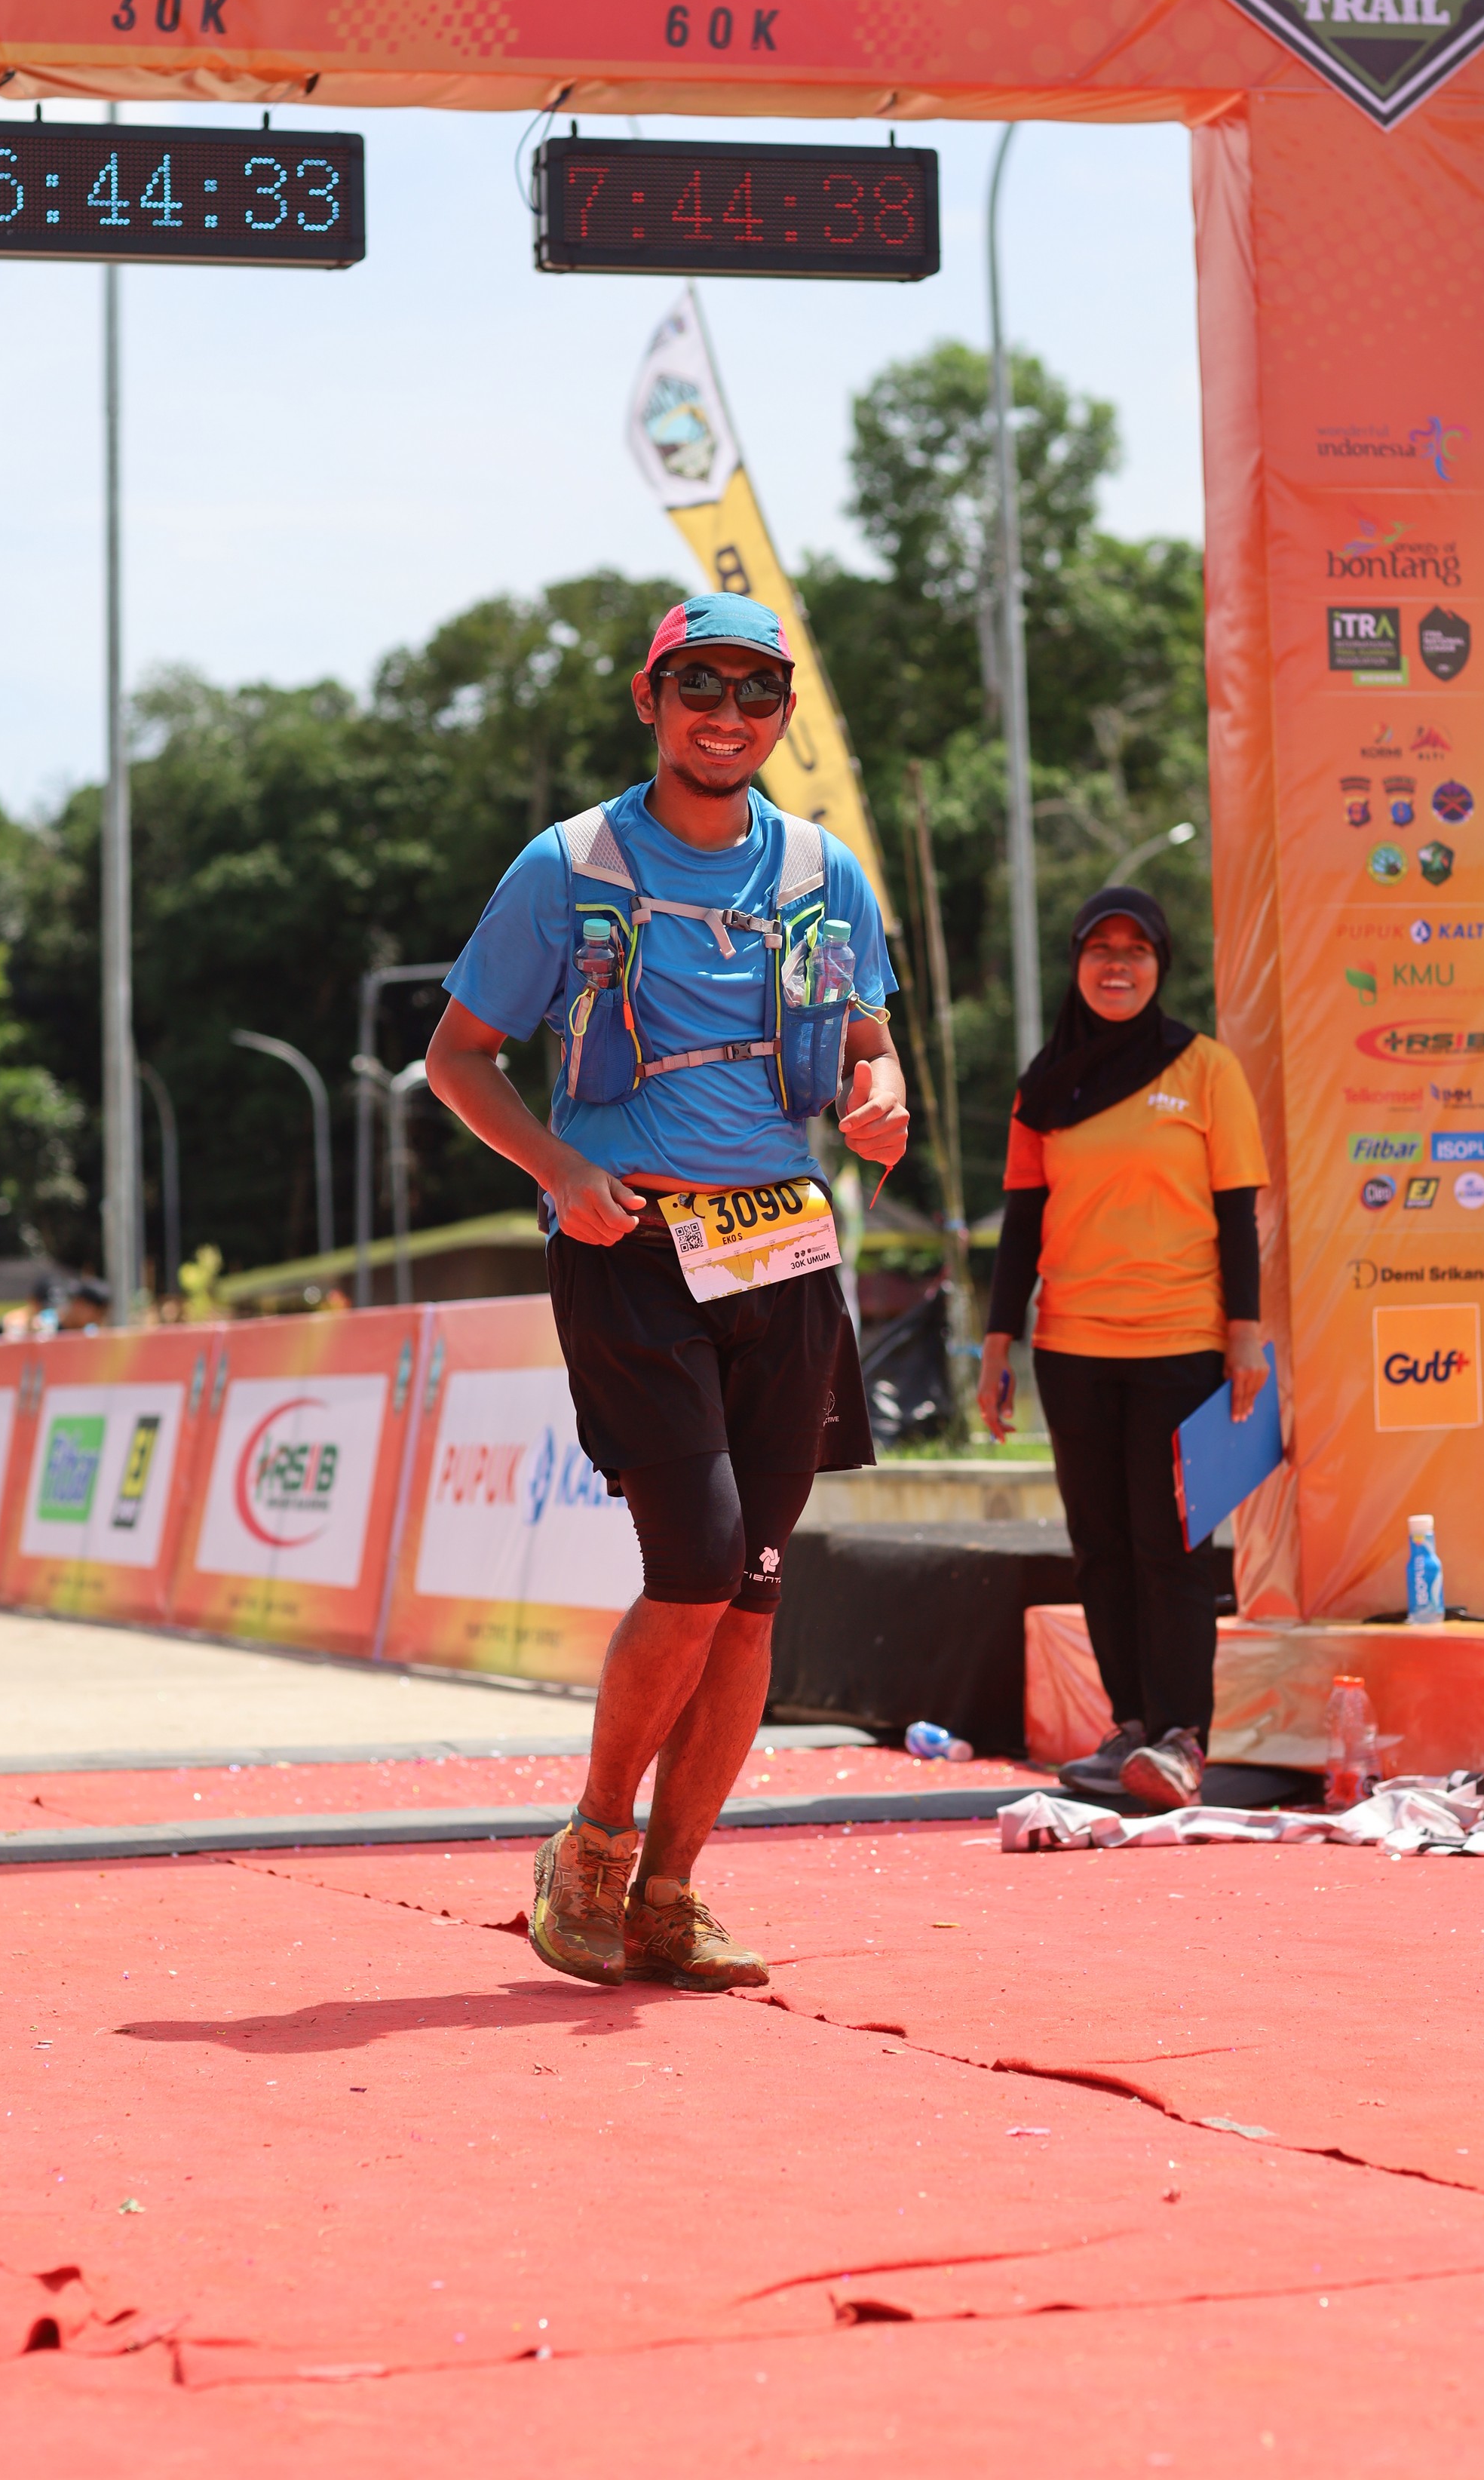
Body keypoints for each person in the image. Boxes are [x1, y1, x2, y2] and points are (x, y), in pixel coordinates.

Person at [426, 591, 908, 1992]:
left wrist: (880, 1094)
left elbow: (869, 1041)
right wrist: (560, 1169)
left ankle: (673, 1892)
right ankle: (590, 1846)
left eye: (757, 692)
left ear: (784, 714)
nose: (727, 714)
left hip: (785, 1255)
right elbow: (457, 1058)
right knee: (694, 1562)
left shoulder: (820, 868)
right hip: (630, 1246)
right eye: (700, 685)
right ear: (651, 700)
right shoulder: (567, 866)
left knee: (754, 1591)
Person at [977, 887, 1268, 1809]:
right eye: (1099, 948)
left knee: (1171, 1544)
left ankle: (1182, 1739)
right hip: (1071, 1347)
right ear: (1076, 963)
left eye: (1135, 950)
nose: (1117, 965)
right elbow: (1022, 1223)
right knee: (1100, 1546)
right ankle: (1131, 1727)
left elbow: (1237, 1215)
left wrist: (1247, 1336)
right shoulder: (1043, 1085)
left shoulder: (1206, 1068)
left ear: (1159, 965)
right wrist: (997, 1344)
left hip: (1182, 1344)